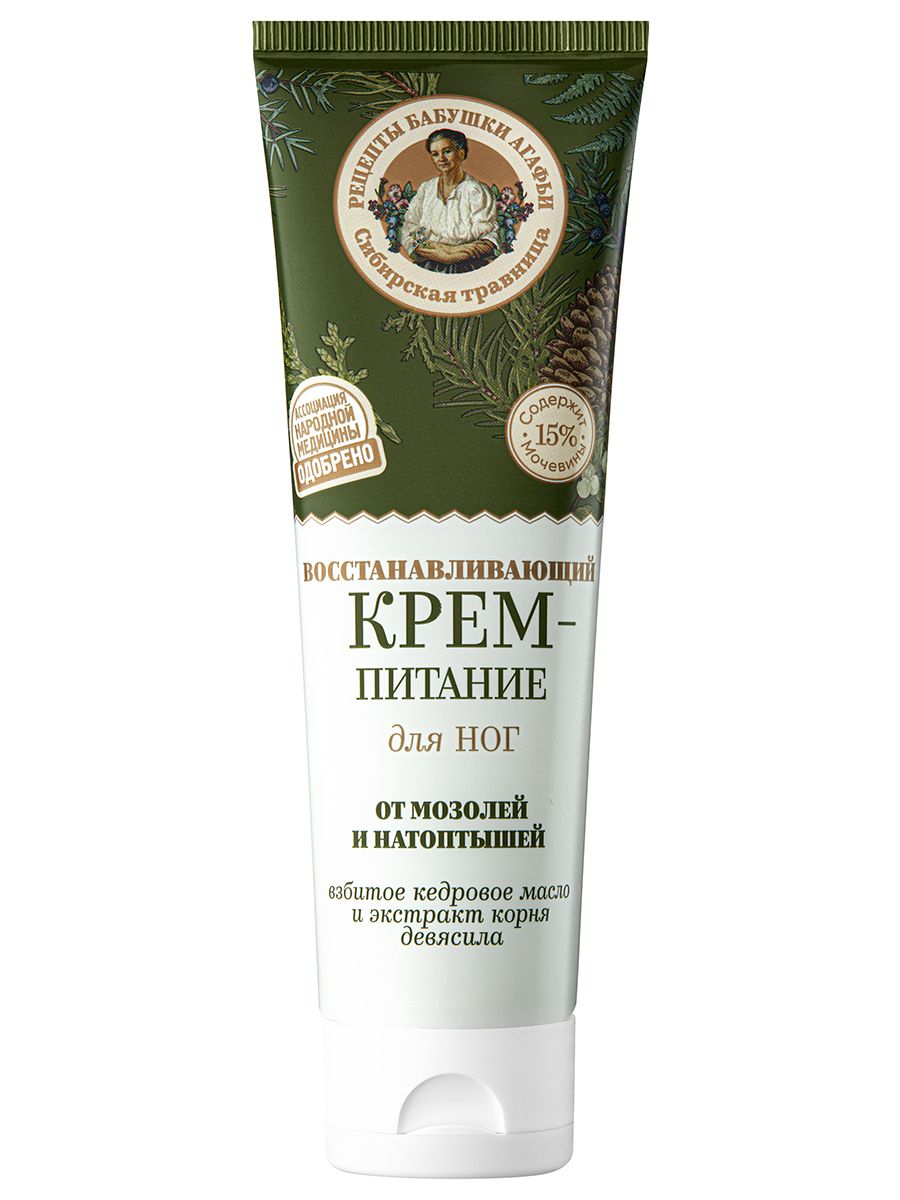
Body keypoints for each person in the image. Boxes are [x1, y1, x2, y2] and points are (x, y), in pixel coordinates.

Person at [400, 130, 498, 273]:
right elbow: (409, 230)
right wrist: (440, 252)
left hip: (469, 267)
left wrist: (452, 255)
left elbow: (489, 238)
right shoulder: (427, 188)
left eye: (447, 151)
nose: (441, 158)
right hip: (429, 265)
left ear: (461, 154)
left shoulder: (476, 190)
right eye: (435, 154)